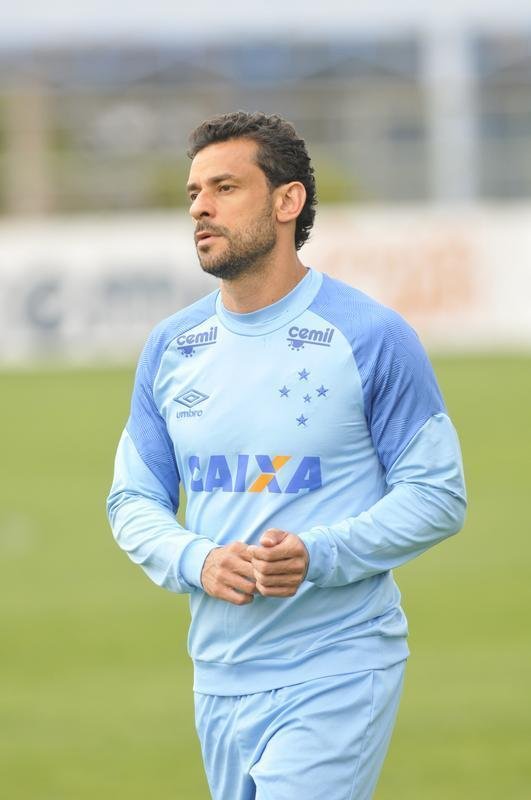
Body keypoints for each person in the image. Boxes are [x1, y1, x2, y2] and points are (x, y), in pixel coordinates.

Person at [107, 111, 466, 800]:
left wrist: (317, 554)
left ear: (286, 201)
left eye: (223, 187)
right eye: (192, 194)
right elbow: (132, 499)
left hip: (336, 666)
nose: (201, 208)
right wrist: (198, 560)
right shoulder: (171, 348)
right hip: (217, 672)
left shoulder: (369, 337)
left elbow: (437, 495)